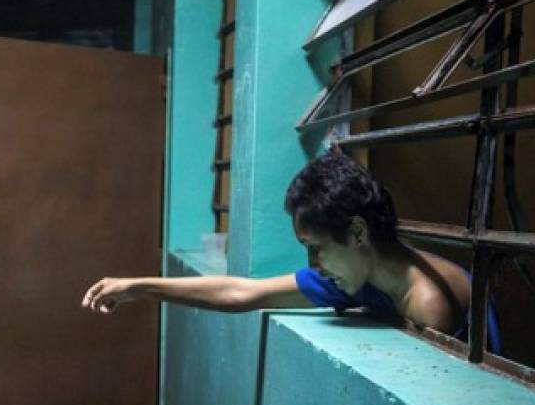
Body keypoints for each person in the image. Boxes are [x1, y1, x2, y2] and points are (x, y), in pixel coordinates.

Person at [82, 151, 500, 353]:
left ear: (357, 232)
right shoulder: (362, 272)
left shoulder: (430, 304)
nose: (312, 265)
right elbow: (244, 293)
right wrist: (141, 287)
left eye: (316, 249)